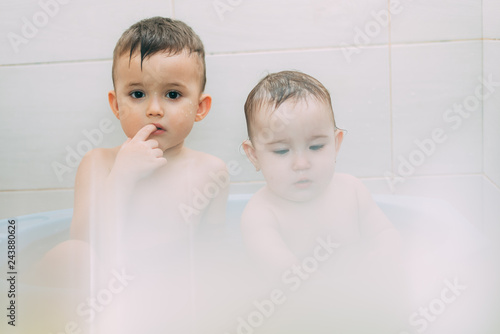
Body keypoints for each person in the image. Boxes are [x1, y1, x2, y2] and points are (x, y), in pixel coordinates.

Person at [33, 17, 228, 333]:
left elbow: (215, 251)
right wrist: (121, 176)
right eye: (137, 94)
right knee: (71, 255)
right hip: (101, 291)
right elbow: (84, 240)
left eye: (173, 95)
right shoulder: (98, 163)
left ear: (200, 107)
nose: (154, 109)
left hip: (166, 294)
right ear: (116, 105)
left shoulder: (211, 172)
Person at [240, 70, 406, 333]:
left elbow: (385, 233)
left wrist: (381, 258)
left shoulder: (352, 190)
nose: (301, 164)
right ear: (254, 155)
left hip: (360, 307)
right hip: (298, 320)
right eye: (282, 151)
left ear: (336, 143)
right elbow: (285, 276)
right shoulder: (261, 213)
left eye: (316, 147)